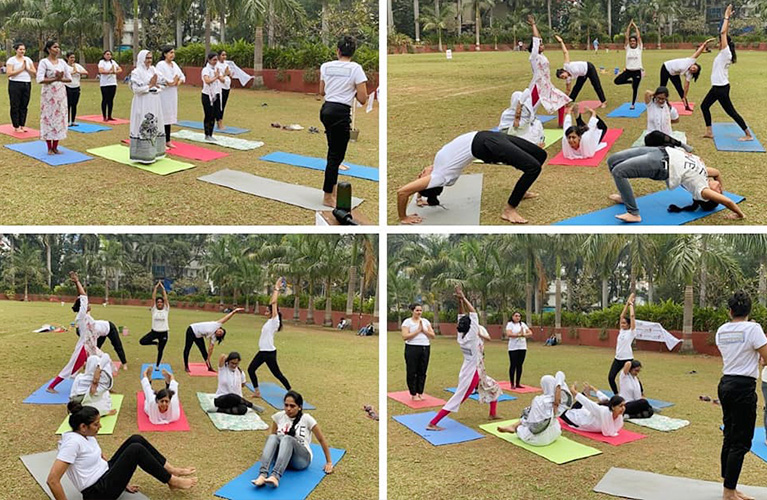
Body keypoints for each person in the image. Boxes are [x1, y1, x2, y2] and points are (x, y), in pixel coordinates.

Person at [47, 402, 197, 499]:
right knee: (135, 450)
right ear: (83, 427)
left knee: (136, 439)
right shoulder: (72, 443)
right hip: (98, 493)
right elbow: (52, 480)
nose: (100, 426)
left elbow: (100, 459)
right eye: (96, 424)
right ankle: (172, 481)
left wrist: (121, 480)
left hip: (107, 476)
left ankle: (171, 470)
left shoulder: (86, 436)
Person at [397, 131, 546, 225]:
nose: (420, 174)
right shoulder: (440, 176)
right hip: (485, 145)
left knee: (540, 155)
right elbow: (402, 192)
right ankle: (509, 210)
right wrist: (403, 217)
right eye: (420, 177)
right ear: (428, 183)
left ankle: (521, 191)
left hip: (488, 136)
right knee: (533, 168)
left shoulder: (437, 167)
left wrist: (421, 198)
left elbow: (424, 188)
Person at [715, 291, 767, 500]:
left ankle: (729, 486)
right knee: (741, 441)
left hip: (725, 384)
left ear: (730, 311)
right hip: (743, 387)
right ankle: (729, 491)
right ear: (749, 310)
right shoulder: (753, 329)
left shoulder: (722, 330)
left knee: (730, 436)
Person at [607, 145, 745, 223]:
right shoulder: (704, 174)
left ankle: (633, 213)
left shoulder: (701, 190)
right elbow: (717, 172)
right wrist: (719, 185)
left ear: (710, 197)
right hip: (660, 151)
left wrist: (740, 215)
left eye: (719, 191)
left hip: (661, 165)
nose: (720, 187)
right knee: (612, 160)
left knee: (619, 171)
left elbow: (727, 201)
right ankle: (625, 197)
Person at [427, 286, 500, 430]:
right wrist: (464, 297)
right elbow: (473, 313)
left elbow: (461, 316)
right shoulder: (472, 336)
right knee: (458, 398)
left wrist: (459, 300)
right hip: (471, 373)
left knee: (493, 387)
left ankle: (492, 414)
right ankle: (432, 423)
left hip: (476, 369)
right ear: (471, 326)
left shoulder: (461, 335)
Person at [319, 36, 368, 207]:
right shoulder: (356, 68)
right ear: (353, 52)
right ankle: (327, 196)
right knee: (335, 156)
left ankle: (331, 191)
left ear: (338, 51)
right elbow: (363, 99)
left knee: (333, 153)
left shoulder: (326, 66)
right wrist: (352, 90)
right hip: (340, 113)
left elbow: (322, 91)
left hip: (326, 110)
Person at [252, 391, 333, 488]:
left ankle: (275, 476)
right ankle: (262, 475)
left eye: (292, 406)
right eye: (286, 405)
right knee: (272, 437)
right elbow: (273, 441)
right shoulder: (278, 416)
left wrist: (329, 462)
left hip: (300, 459)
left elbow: (321, 440)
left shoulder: (307, 419)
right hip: (281, 458)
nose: (288, 409)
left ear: (300, 407)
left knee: (287, 438)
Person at [701, 4, 753, 142]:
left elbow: (723, 33)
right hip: (717, 87)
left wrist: (726, 17)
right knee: (704, 106)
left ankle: (748, 134)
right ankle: (709, 132)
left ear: (725, 44)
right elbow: (724, 34)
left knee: (731, 112)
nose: (719, 44)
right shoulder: (724, 53)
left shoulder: (726, 52)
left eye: (720, 42)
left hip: (721, 89)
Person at [47, 272, 103, 393]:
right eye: (87, 304)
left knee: (100, 364)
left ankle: (99, 386)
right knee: (71, 368)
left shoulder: (86, 315)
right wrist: (77, 282)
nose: (89, 304)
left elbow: (81, 296)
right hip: (83, 348)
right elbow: (83, 297)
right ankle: (51, 386)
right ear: (83, 307)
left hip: (91, 347)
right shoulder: (81, 316)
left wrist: (77, 285)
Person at [498, 372, 572, 446]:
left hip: (538, 440)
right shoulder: (561, 400)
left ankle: (514, 427)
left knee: (525, 419)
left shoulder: (539, 400)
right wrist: (558, 385)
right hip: (554, 434)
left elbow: (534, 426)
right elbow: (556, 404)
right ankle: (513, 426)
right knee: (538, 416)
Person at [248, 278, 292, 398]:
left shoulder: (274, 320)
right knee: (251, 369)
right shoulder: (269, 321)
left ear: (273, 312)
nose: (265, 311)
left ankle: (290, 391)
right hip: (262, 351)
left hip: (269, 353)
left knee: (277, 374)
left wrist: (276, 288)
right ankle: (257, 392)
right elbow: (271, 303)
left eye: (268, 310)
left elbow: (273, 302)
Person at [527, 15, 571, 127]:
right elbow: (536, 39)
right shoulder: (534, 56)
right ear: (536, 47)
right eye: (540, 45)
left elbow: (538, 38)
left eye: (542, 44)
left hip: (547, 85)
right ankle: (524, 123)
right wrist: (533, 25)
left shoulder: (542, 56)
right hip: (538, 86)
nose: (542, 45)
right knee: (530, 109)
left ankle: (561, 124)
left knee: (561, 100)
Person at [128, 49, 165, 163]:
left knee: (155, 123)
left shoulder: (154, 70)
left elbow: (162, 84)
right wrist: (150, 85)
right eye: (147, 58)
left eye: (150, 58)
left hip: (154, 100)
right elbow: (136, 89)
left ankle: (155, 152)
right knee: (143, 123)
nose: (149, 60)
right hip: (142, 101)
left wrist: (156, 87)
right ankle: (142, 155)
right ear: (141, 59)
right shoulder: (136, 72)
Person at [36, 40, 71, 155]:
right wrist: (54, 78)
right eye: (55, 47)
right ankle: (49, 147)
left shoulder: (62, 62)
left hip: (60, 94)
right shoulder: (44, 62)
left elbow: (69, 78)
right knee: (48, 118)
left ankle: (55, 146)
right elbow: (40, 79)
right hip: (48, 94)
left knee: (59, 118)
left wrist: (60, 79)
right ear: (49, 49)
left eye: (58, 47)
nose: (57, 49)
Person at [660, 39, 715, 110]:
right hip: (666, 67)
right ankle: (659, 102)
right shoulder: (690, 61)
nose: (693, 69)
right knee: (662, 87)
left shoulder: (689, 74)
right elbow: (698, 52)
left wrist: (684, 96)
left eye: (694, 71)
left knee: (680, 90)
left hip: (674, 73)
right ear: (693, 64)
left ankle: (686, 106)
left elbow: (686, 86)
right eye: (694, 68)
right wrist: (705, 43)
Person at [183, 308, 243, 372]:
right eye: (220, 331)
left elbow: (211, 348)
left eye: (220, 334)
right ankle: (186, 367)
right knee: (187, 348)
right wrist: (234, 311)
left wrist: (208, 357)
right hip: (192, 330)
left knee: (204, 352)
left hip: (198, 336)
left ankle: (209, 367)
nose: (219, 333)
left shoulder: (214, 337)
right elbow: (226, 318)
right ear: (219, 328)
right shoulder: (216, 325)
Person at [554, 35, 607, 107]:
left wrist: (561, 42)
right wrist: (564, 100)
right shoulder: (568, 79)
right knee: (577, 87)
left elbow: (565, 52)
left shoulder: (567, 65)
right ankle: (569, 101)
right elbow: (568, 90)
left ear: (564, 71)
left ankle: (603, 102)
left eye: (563, 76)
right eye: (562, 78)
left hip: (589, 68)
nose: (564, 78)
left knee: (596, 85)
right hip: (582, 75)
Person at [561, 382, 626, 437]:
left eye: (624, 405)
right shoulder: (602, 411)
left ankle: (585, 393)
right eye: (620, 406)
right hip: (581, 422)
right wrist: (573, 391)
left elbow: (604, 397)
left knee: (575, 409)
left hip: (586, 415)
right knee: (561, 412)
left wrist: (593, 388)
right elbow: (588, 403)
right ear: (613, 407)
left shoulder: (618, 415)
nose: (623, 408)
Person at [402, 303, 435, 401]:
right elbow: (405, 336)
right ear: (412, 311)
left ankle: (420, 392)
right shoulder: (407, 322)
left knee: (422, 371)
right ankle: (413, 393)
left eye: (420, 310)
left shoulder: (425, 321)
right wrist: (418, 331)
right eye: (417, 310)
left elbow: (432, 335)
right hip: (412, 348)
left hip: (425, 347)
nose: (419, 312)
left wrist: (424, 330)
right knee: (412, 371)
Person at [69, 352, 117, 417]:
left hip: (75, 404)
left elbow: (73, 393)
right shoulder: (100, 381)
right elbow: (106, 356)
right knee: (104, 394)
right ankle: (103, 412)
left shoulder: (79, 377)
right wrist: (98, 369)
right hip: (87, 406)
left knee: (102, 393)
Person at [155, 46, 185, 148]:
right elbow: (159, 78)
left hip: (172, 94)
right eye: (170, 52)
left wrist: (177, 82)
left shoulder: (174, 64)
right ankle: (160, 141)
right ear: (165, 54)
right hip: (164, 94)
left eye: (173, 53)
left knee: (169, 117)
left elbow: (181, 76)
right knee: (162, 117)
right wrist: (170, 82)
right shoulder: (161, 65)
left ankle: (168, 140)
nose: (172, 55)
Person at [608, 293, 636, 394]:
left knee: (631, 377)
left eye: (624, 323)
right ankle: (616, 394)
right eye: (622, 323)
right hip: (618, 358)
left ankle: (640, 392)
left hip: (627, 359)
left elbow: (632, 316)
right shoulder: (621, 331)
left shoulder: (631, 332)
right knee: (611, 377)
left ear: (628, 325)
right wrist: (627, 304)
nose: (622, 324)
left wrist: (631, 305)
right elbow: (622, 315)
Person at [6, 42, 36, 132]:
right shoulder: (11, 60)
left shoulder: (28, 59)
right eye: (20, 49)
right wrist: (21, 69)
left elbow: (34, 72)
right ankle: (16, 126)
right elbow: (9, 73)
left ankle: (22, 125)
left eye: (23, 49)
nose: (22, 51)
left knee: (24, 105)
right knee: (15, 105)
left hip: (26, 83)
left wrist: (27, 69)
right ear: (16, 50)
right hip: (15, 84)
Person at [614, 20, 643, 109]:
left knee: (635, 88)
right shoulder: (627, 48)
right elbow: (626, 37)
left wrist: (635, 27)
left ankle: (633, 104)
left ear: (636, 42)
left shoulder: (639, 48)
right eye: (631, 41)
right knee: (617, 81)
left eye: (634, 41)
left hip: (637, 72)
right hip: (628, 71)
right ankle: (630, 81)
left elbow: (638, 36)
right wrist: (629, 27)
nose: (632, 42)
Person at [140, 281, 170, 368]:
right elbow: (153, 298)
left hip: (164, 333)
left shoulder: (166, 310)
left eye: (161, 302)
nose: (159, 303)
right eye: (158, 302)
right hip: (154, 332)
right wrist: (156, 288)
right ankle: (155, 343)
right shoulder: (154, 310)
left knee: (160, 350)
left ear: (163, 303)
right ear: (156, 304)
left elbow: (166, 298)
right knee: (142, 341)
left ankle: (157, 365)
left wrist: (163, 288)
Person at [200, 52, 224, 141]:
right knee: (208, 115)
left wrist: (221, 76)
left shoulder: (216, 69)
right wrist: (216, 77)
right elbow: (207, 81)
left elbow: (222, 79)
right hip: (207, 95)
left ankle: (211, 134)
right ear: (209, 60)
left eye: (216, 60)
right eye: (214, 60)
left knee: (214, 115)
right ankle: (207, 134)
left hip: (215, 94)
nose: (215, 61)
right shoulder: (205, 70)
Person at [506, 311, 532, 389]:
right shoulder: (510, 324)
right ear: (512, 317)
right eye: (516, 316)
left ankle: (518, 383)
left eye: (519, 316)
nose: (517, 317)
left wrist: (524, 335)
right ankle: (512, 383)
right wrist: (518, 335)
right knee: (513, 364)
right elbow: (509, 334)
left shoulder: (522, 324)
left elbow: (530, 333)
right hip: (513, 348)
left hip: (522, 347)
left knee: (520, 365)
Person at [64, 52, 88, 127]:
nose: (73, 59)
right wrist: (72, 73)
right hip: (68, 87)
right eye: (71, 57)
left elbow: (86, 72)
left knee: (74, 104)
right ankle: (67, 121)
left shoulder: (77, 66)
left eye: (73, 57)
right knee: (68, 105)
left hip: (76, 87)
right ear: (67, 58)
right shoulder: (65, 66)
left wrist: (78, 71)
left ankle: (73, 121)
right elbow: (63, 75)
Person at [98, 50, 122, 121]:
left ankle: (109, 116)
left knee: (111, 100)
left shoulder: (113, 62)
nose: (108, 56)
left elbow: (120, 69)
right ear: (104, 55)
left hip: (113, 83)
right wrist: (109, 72)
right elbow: (101, 71)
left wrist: (115, 72)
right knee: (105, 99)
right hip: (104, 84)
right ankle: (104, 116)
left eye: (110, 54)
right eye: (107, 54)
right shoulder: (102, 62)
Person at [215, 50, 233, 130]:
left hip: (227, 86)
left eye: (225, 55)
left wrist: (229, 74)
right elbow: (220, 78)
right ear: (219, 56)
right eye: (222, 55)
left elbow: (229, 75)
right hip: (220, 87)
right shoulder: (217, 65)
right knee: (220, 105)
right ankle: (219, 122)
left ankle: (220, 121)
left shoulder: (226, 64)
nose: (224, 57)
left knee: (224, 105)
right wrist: (225, 74)